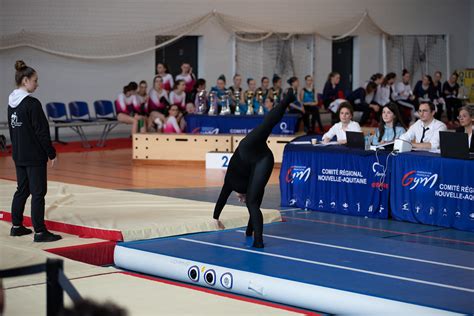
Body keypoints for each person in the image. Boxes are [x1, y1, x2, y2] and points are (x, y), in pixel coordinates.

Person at [213, 91, 296, 248]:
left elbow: (221, 200)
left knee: (266, 125)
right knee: (253, 202)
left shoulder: (230, 183)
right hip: (263, 159)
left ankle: (286, 100)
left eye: (240, 199)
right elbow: (254, 206)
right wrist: (248, 231)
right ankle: (256, 239)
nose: (241, 199)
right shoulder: (249, 187)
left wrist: (215, 219)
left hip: (246, 149)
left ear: (238, 195)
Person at [8, 60, 61, 242]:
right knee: (38, 192)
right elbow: (42, 132)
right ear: (25, 81)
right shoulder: (32, 104)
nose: (37, 83)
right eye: (35, 80)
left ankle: (16, 226)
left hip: (19, 154)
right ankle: (40, 231)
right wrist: (51, 153)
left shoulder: (12, 102)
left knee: (22, 190)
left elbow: (13, 129)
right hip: (33, 156)